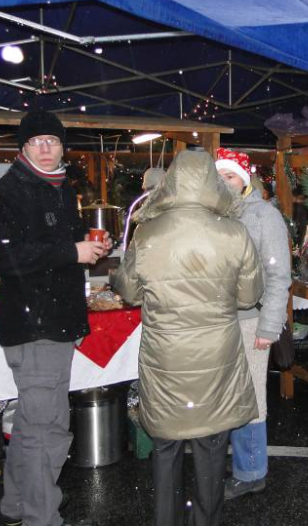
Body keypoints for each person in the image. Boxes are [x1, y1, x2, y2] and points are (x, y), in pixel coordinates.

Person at [110, 150, 264, 526]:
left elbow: (129, 292)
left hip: (166, 358)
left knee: (165, 447)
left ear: (172, 181)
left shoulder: (148, 231)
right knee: (211, 448)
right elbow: (249, 297)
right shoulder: (233, 231)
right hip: (216, 357)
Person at [0, 110, 109, 526]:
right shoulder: (12, 191)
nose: (46, 147)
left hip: (51, 321)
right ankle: (42, 517)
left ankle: (18, 504)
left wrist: (89, 245)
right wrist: (71, 252)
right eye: (36, 141)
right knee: (46, 428)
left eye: (52, 140)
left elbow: (55, 246)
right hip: (34, 324)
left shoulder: (55, 186)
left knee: (35, 422)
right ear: (23, 147)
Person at [214, 148, 292, 500]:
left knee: (251, 397)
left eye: (229, 176)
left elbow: (278, 276)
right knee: (227, 394)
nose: (223, 182)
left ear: (244, 180)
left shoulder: (264, 216)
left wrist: (269, 328)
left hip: (251, 320)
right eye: (218, 176)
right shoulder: (213, 214)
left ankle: (251, 471)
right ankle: (240, 459)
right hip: (217, 321)